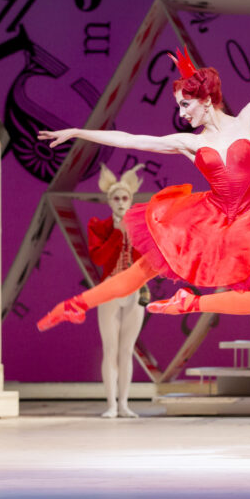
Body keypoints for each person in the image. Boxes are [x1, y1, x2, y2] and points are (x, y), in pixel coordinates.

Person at [36, 20, 250, 329]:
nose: (180, 114)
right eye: (179, 106)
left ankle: (190, 304)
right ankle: (77, 303)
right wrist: (80, 131)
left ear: (206, 100)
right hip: (208, 219)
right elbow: (131, 140)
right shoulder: (189, 143)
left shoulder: (248, 119)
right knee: (142, 270)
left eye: (184, 105)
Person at [89, 163, 148, 418]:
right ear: (109, 201)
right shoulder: (98, 226)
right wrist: (117, 233)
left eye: (125, 198)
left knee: (127, 350)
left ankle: (123, 403)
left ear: (131, 199)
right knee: (110, 348)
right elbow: (99, 258)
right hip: (110, 290)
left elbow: (147, 259)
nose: (121, 203)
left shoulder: (140, 226)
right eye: (116, 198)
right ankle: (111, 404)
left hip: (134, 291)